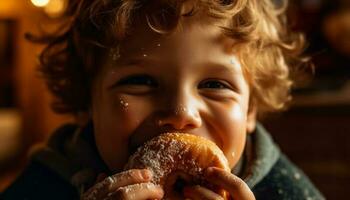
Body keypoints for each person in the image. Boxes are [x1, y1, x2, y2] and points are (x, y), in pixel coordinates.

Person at [1, 0, 324, 199]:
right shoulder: (50, 180)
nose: (181, 113)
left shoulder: (283, 188)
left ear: (250, 108)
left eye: (214, 84)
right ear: (88, 103)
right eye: (140, 81)